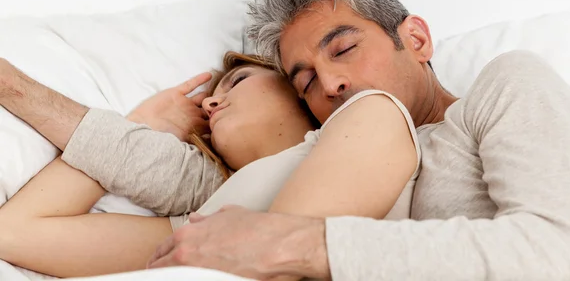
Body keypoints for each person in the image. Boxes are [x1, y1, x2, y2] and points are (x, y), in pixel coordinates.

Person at [142, 0, 570, 280]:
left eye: (344, 50)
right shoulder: (327, 168)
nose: (331, 84)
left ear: (416, 40)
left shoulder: (505, 85)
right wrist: (144, 123)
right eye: (306, 84)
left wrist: (295, 244)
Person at [0, 50, 420, 278]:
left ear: (298, 88)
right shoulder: (207, 222)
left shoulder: (371, 115)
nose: (211, 101)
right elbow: (14, 233)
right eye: (205, 100)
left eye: (237, 81)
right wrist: (141, 123)